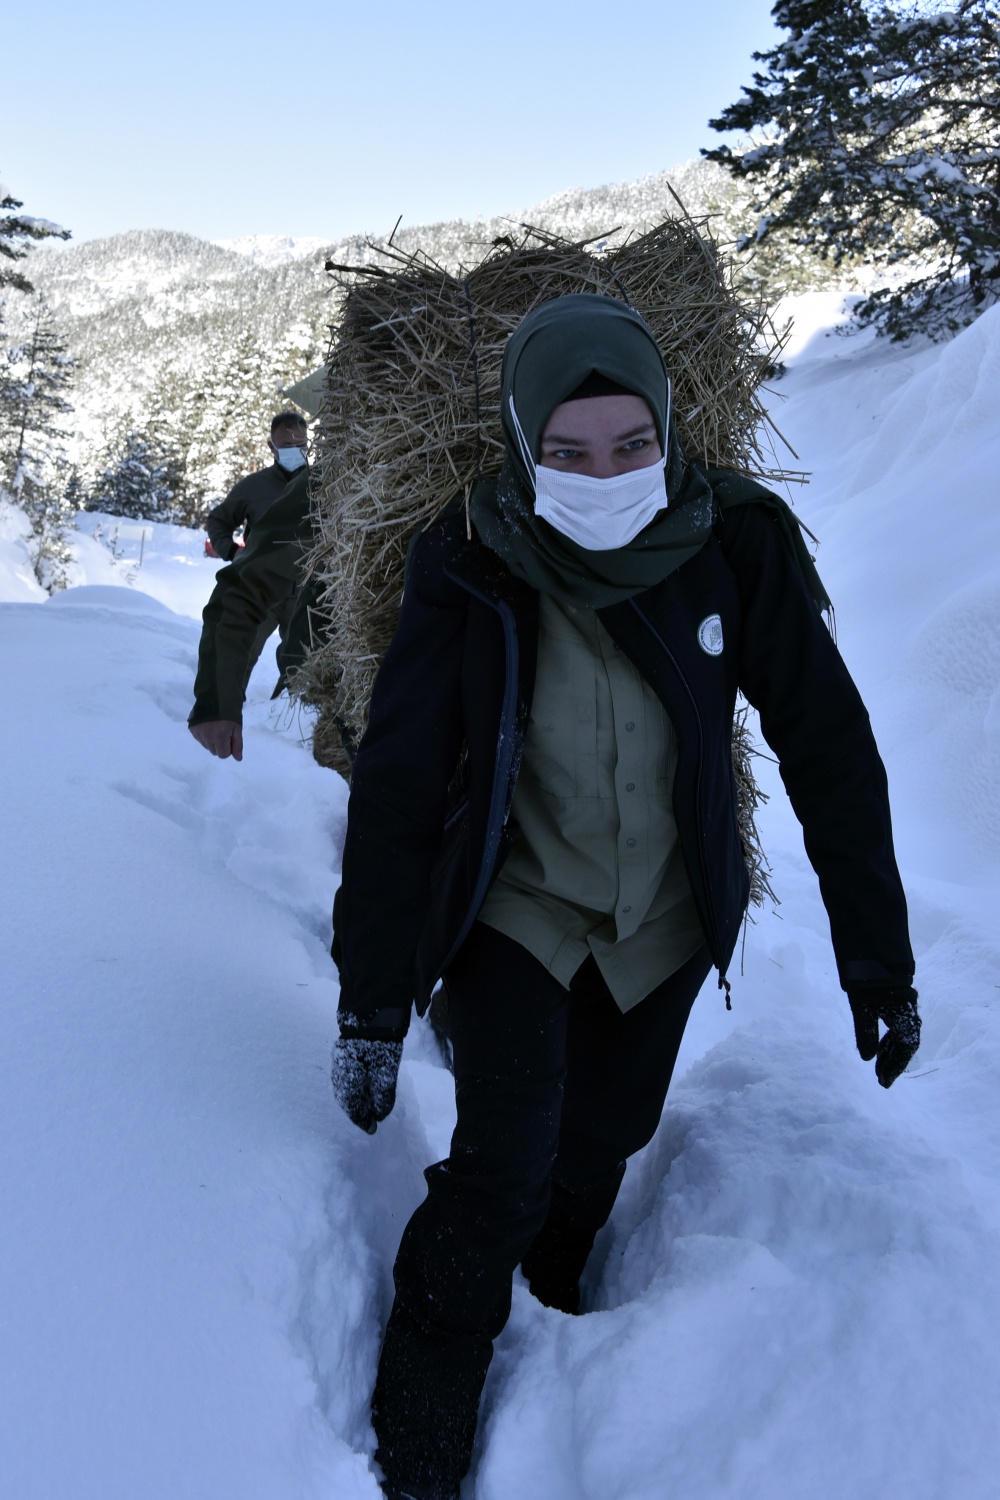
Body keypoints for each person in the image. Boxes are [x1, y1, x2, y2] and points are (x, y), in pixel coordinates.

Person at [330, 292, 920, 1500]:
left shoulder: (733, 540)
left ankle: (552, 1303)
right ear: (518, 441)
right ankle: (423, 1433)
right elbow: (395, 786)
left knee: (601, 1140)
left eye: (629, 446)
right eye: (565, 452)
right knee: (499, 1170)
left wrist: (879, 959)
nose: (602, 475)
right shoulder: (469, 552)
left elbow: (827, 742)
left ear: (666, 425)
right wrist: (371, 1003)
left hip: (664, 915)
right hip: (520, 906)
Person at [188, 468, 316, 761]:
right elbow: (219, 522)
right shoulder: (258, 486)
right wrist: (234, 553)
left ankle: (286, 727)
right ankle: (235, 717)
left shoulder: (318, 477)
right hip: (269, 585)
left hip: (305, 593)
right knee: (247, 651)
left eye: (300, 443)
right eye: (287, 444)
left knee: (299, 659)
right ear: (273, 445)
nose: (294, 449)